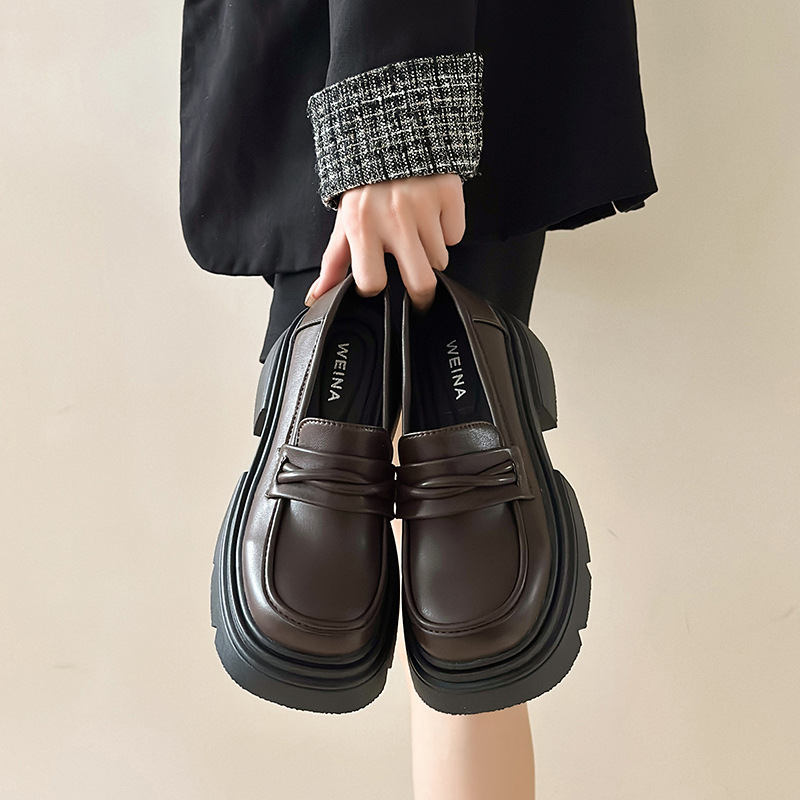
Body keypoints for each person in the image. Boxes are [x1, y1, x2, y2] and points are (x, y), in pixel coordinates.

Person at [179, 1, 657, 797]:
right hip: (355, 47)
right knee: (470, 600)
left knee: (469, 599)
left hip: (416, 49)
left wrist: (393, 107)